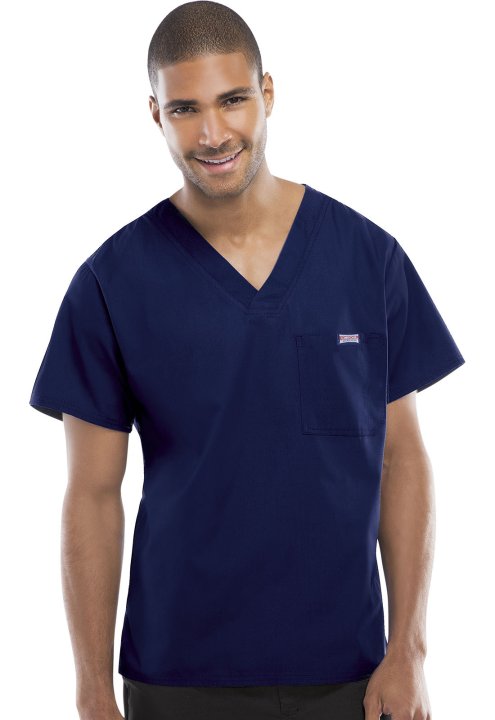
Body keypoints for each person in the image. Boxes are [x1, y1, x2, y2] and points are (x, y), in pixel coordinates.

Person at [28, 2, 466, 719]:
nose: (212, 134)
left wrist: (409, 649)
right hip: (176, 677)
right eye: (184, 109)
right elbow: (92, 496)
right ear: (155, 115)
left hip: (351, 674)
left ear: (266, 93)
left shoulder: (366, 259)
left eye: (232, 100)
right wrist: (91, 690)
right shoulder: (111, 282)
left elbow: (402, 459)